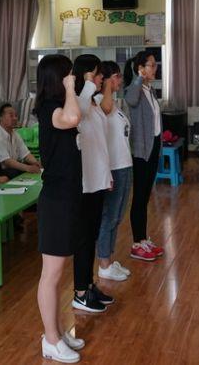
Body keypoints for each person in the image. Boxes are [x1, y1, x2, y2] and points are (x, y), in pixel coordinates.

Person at [35, 54, 84, 363]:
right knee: (51, 274)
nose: (73, 79)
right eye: (69, 74)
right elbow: (73, 118)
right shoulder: (49, 109)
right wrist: (69, 89)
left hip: (67, 197)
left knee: (58, 273)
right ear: (59, 77)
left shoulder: (59, 105)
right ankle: (50, 340)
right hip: (55, 201)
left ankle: (57, 331)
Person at [71, 55, 114, 314]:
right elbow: (77, 114)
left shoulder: (93, 101)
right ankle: (80, 292)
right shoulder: (78, 101)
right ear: (86, 75)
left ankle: (89, 285)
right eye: (97, 74)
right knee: (84, 239)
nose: (101, 79)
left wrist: (107, 174)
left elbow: (100, 142)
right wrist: (87, 84)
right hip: (85, 183)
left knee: (92, 236)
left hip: (98, 179)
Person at [124, 51, 165, 262]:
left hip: (154, 146)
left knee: (145, 196)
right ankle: (137, 244)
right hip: (141, 150)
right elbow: (130, 99)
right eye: (151, 65)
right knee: (139, 197)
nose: (155, 68)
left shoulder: (150, 90)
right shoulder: (136, 88)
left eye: (155, 64)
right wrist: (139, 78)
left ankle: (143, 239)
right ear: (141, 68)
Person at [95, 61, 133, 281]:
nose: (120, 80)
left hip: (124, 166)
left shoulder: (115, 105)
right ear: (108, 79)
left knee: (117, 217)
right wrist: (107, 85)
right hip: (113, 168)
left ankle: (109, 259)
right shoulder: (100, 102)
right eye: (117, 76)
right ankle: (103, 263)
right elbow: (106, 108)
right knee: (109, 217)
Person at [0, 103, 41, 178]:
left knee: (32, 165)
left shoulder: (15, 134)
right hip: (3, 171)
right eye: (11, 115)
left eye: (16, 116)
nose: (15, 118)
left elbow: (26, 154)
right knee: (17, 171)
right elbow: (7, 162)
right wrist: (28, 168)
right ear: (1, 118)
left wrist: (36, 162)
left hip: (14, 168)